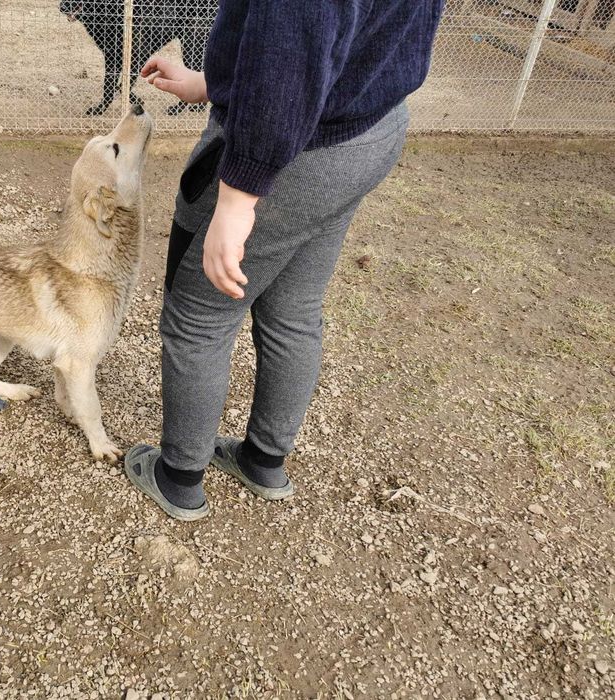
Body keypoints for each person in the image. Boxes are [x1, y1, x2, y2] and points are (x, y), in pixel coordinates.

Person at [124, 1, 445, 520]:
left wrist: (237, 198)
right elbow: (342, 33)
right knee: (294, 310)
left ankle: (179, 477)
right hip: (369, 130)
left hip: (298, 153)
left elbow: (294, 48)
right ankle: (264, 460)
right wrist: (215, 81)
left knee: (199, 315)